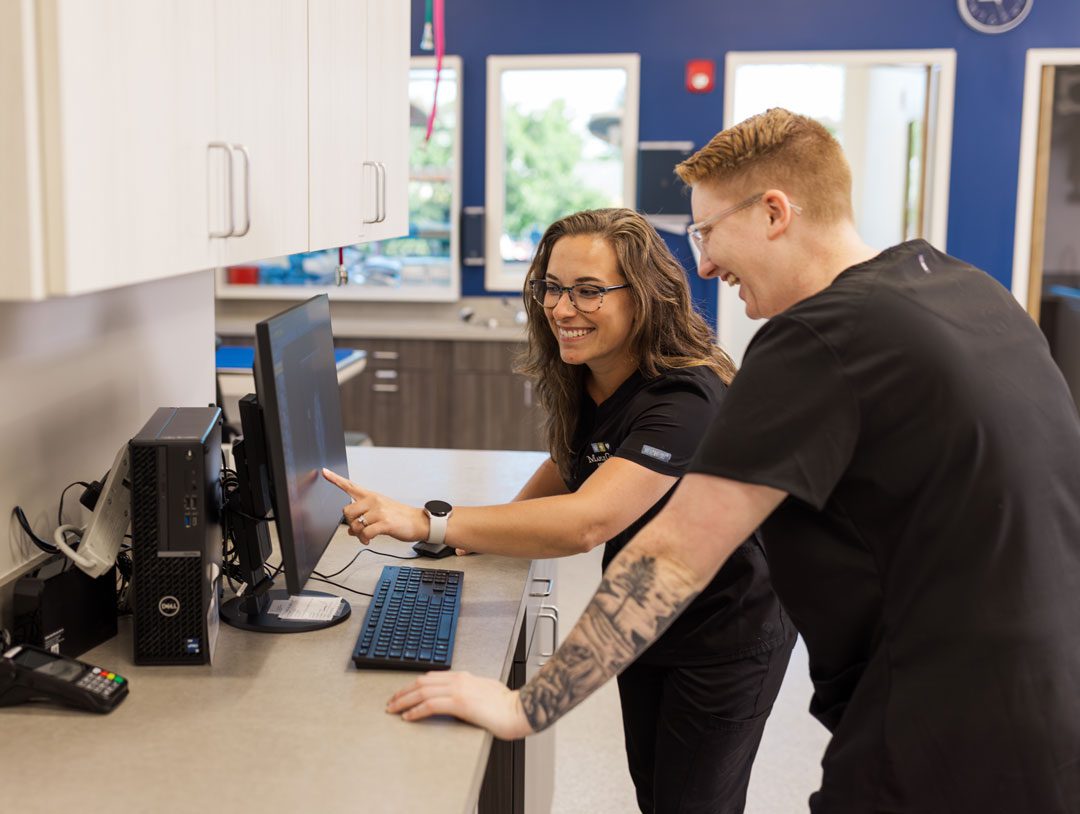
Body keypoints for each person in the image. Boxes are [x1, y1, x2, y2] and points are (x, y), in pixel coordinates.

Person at [382, 109, 1080, 813]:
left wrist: (526, 708)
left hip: (949, 727)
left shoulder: (817, 339)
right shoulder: (961, 286)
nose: (707, 263)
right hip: (1051, 698)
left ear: (775, 212)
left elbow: (674, 557)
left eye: (707, 231)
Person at [324, 207, 795, 813]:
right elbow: (576, 461)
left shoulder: (684, 397)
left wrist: (431, 521)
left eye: (589, 291)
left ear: (645, 296)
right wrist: (489, 530)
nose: (562, 308)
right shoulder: (597, 372)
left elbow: (588, 521)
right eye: (552, 287)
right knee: (657, 791)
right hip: (644, 618)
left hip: (725, 630)